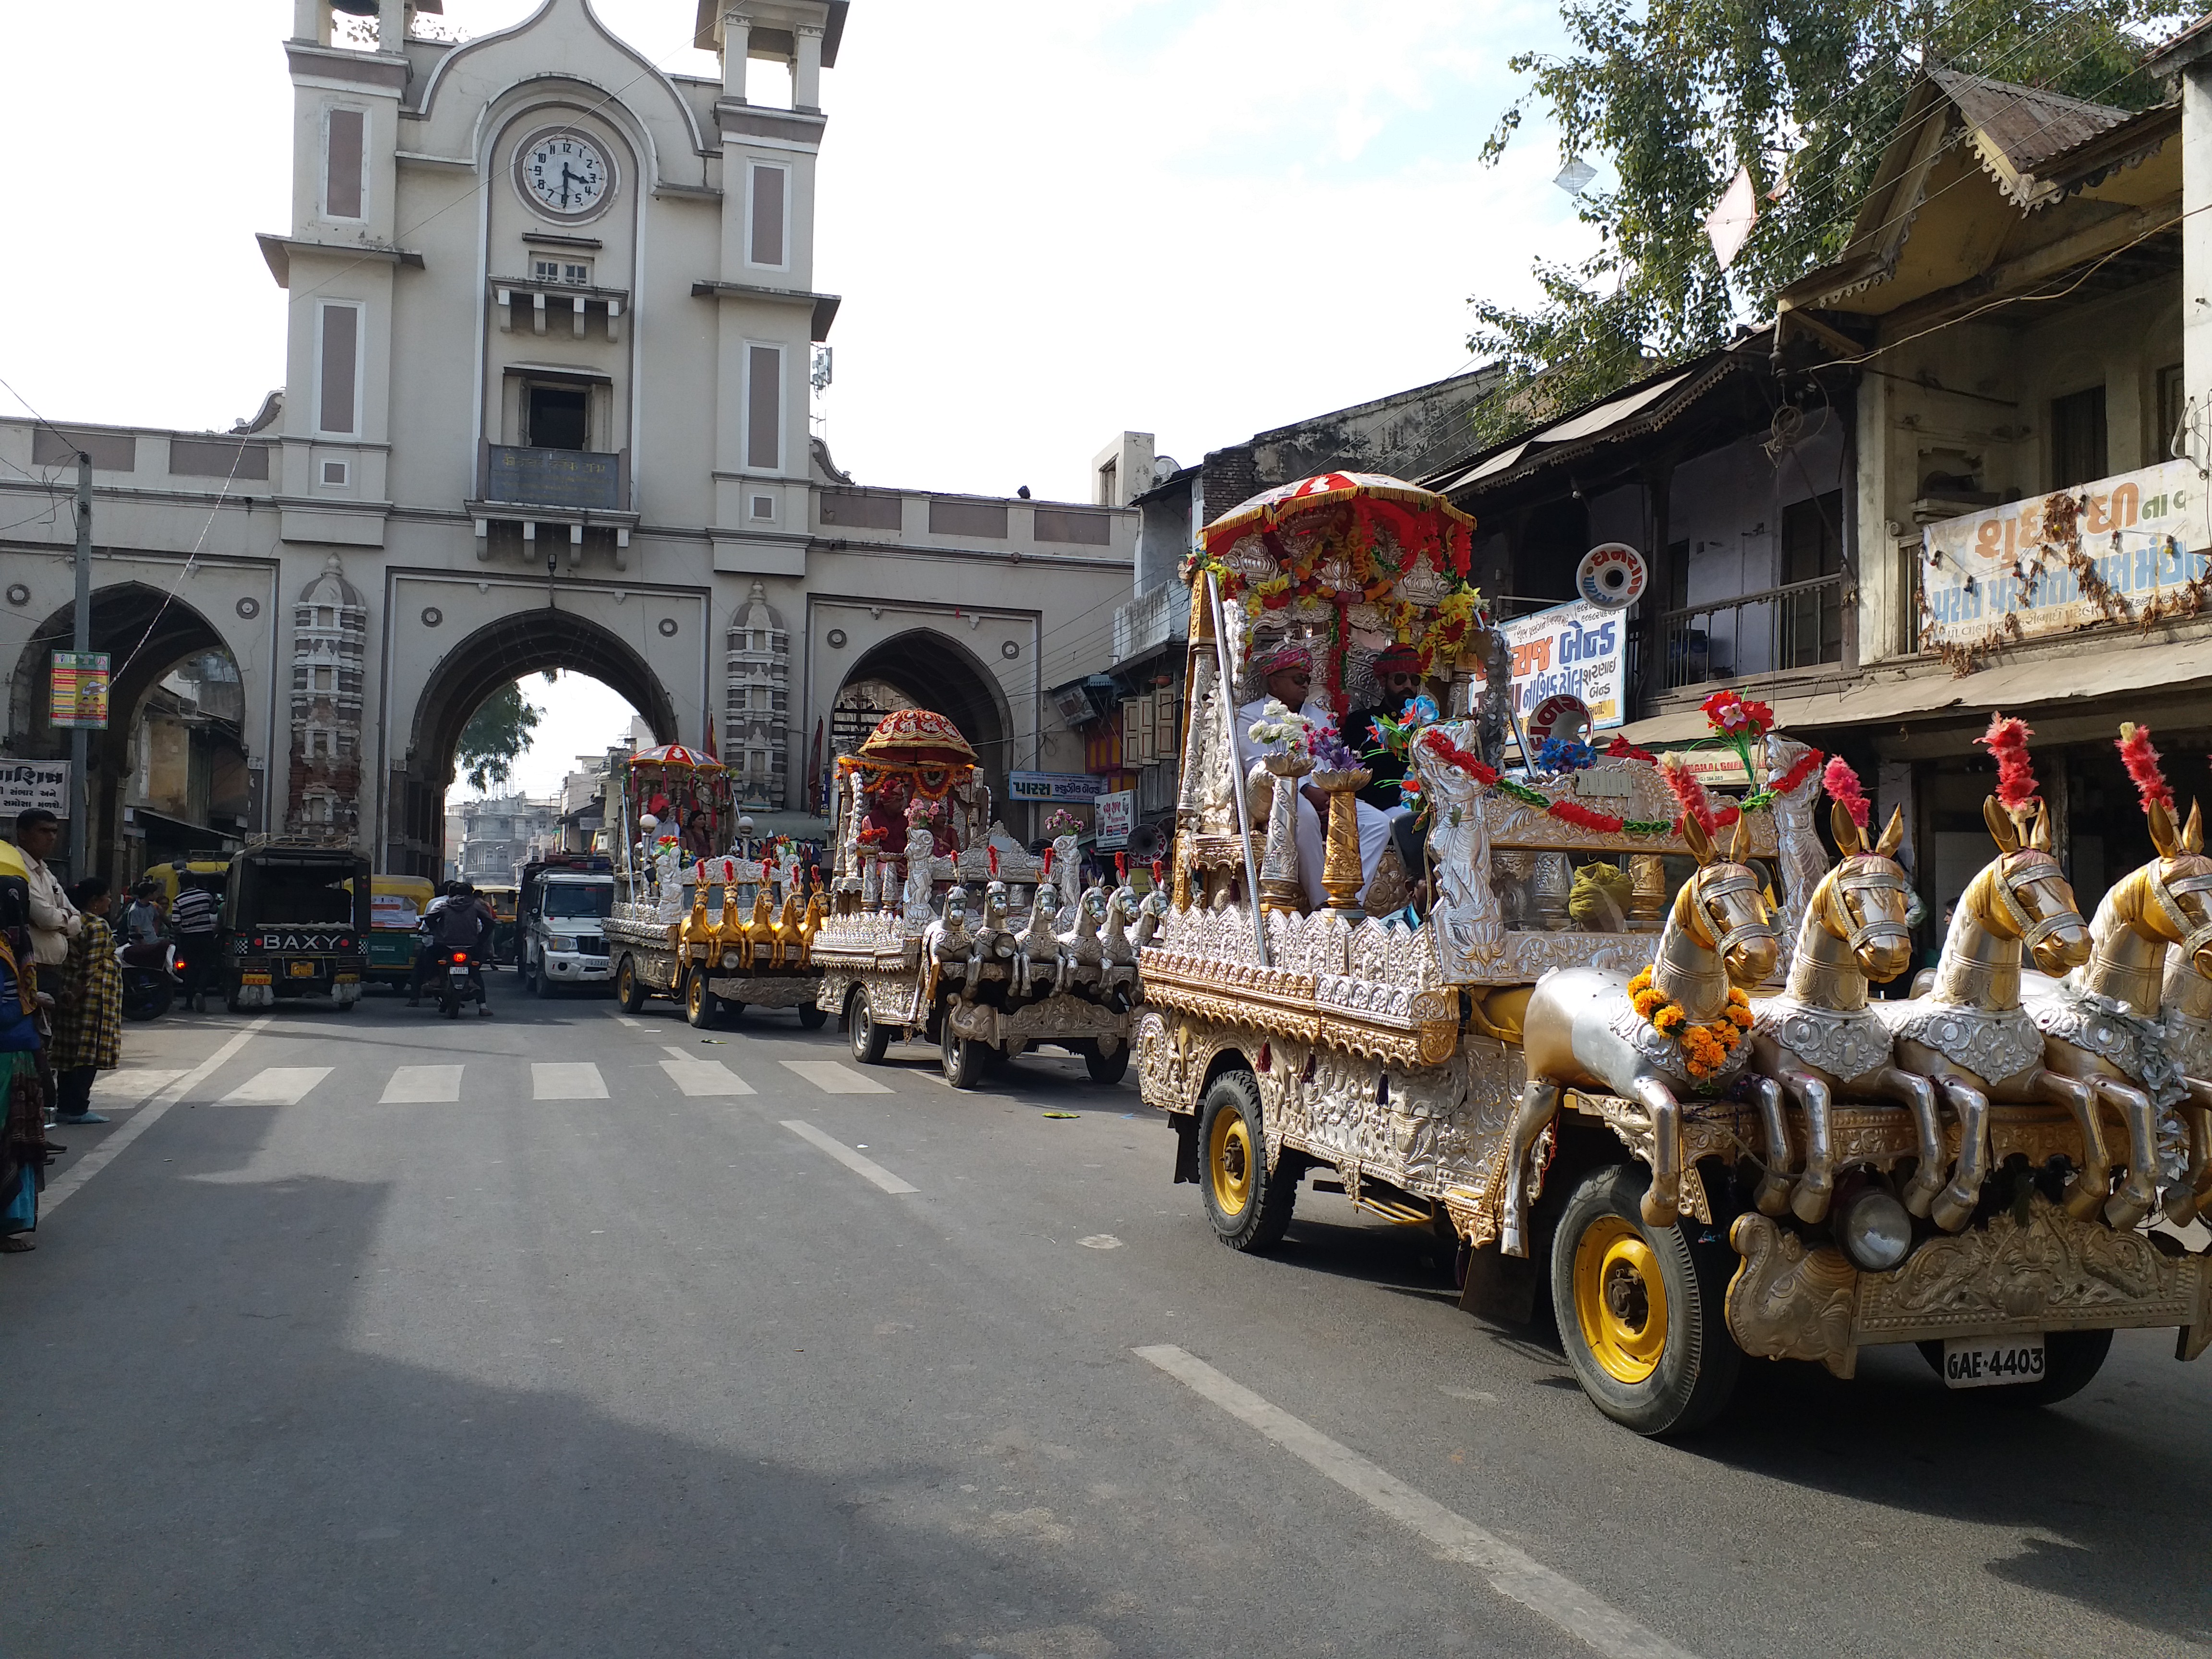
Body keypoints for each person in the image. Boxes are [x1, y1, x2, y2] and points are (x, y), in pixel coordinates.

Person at [1234, 641, 1394, 911]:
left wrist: (1333, 793)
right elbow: (1257, 766)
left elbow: (1334, 759)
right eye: (1298, 679)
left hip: (1326, 793)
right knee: (1304, 816)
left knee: (1380, 822)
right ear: (1274, 682)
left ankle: (1349, 899)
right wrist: (1307, 790)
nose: (1305, 685)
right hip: (1275, 795)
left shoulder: (1320, 717)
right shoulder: (1251, 716)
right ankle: (1322, 902)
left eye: (1307, 679)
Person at [0, 840, 54, 1253]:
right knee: (10, 1142)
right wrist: (31, 1001)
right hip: (11, 1055)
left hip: (18, 1052)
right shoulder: (8, 952)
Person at [49, 877, 119, 1126]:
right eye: (108, 896)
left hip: (70, 991)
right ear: (95, 902)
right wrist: (77, 994)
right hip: (93, 999)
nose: (111, 900)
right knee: (88, 1053)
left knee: (69, 1053)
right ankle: (78, 1107)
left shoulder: (72, 922)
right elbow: (91, 965)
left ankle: (66, 1106)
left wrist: (68, 994)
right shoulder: (98, 925)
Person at [9, 809, 80, 1010]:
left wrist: (63, 920)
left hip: (52, 971)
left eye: (54, 831)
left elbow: (76, 918)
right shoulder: (17, 869)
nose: (51, 838)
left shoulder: (46, 873)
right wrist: (64, 920)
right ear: (23, 834)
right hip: (26, 970)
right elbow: (45, 917)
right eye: (43, 831)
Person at [1344, 642, 1427, 811]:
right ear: (1383, 681)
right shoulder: (1361, 722)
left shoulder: (1426, 724)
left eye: (1414, 679)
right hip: (1377, 810)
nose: (1408, 686)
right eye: (1400, 679)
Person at [167, 866, 220, 1012]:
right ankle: (201, 992)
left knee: (190, 969)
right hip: (205, 936)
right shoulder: (206, 896)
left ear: (181, 885)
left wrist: (181, 930)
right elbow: (214, 910)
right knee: (206, 966)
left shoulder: (178, 900)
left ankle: (189, 1002)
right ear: (195, 883)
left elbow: (176, 924)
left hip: (188, 938)